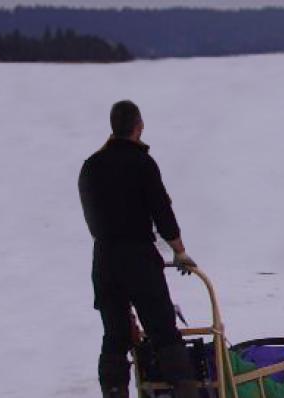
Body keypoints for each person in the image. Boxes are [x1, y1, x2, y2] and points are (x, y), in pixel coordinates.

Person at [79, 100, 200, 398]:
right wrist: (180, 251)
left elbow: (91, 217)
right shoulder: (142, 164)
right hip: (139, 259)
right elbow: (162, 212)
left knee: (115, 337)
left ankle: (115, 392)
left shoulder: (91, 166)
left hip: (105, 259)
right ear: (139, 126)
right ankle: (184, 391)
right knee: (163, 331)